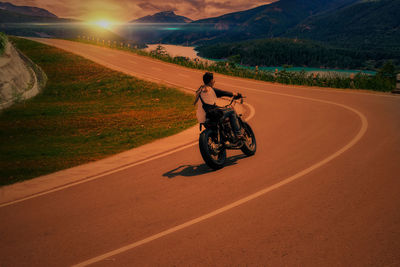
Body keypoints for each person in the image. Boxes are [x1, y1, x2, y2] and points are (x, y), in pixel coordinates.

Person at [194, 72, 244, 140]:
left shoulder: (200, 90)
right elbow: (223, 93)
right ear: (211, 81)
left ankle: (224, 133)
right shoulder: (210, 89)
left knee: (221, 109)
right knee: (231, 111)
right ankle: (238, 134)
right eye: (213, 79)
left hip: (202, 118)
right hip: (213, 115)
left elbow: (207, 104)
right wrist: (235, 94)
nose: (214, 81)